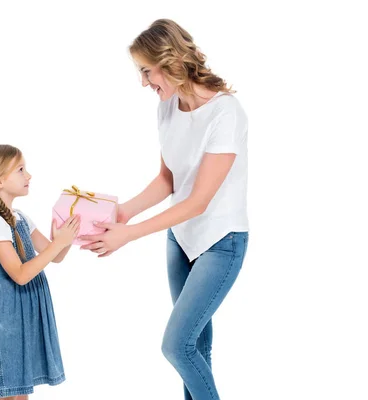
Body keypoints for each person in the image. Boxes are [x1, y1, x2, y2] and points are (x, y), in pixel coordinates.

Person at [79, 19, 249, 400]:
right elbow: (168, 180)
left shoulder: (226, 113)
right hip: (182, 239)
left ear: (169, 61)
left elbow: (198, 200)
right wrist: (123, 212)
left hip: (221, 242)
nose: (143, 82)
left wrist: (130, 234)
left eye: (145, 71)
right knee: (194, 349)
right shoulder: (167, 107)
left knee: (176, 346)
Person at [0, 144, 80, 400]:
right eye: (20, 170)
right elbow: (19, 274)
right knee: (7, 384)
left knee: (20, 387)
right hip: (7, 311)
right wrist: (58, 244)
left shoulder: (19, 217)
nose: (28, 175)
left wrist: (67, 236)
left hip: (27, 307)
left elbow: (56, 255)